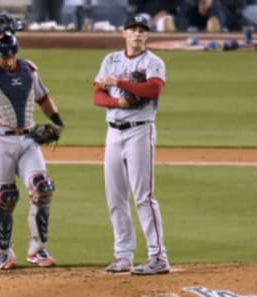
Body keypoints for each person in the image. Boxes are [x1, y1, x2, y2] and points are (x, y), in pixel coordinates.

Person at [0, 20, 65, 270]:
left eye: (11, 55)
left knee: (44, 188)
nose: (8, 61)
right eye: (3, 56)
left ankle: (38, 249)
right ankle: (3, 253)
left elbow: (43, 97)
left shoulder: (28, 70)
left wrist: (57, 122)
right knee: (6, 197)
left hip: (28, 139)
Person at [92, 15, 170, 275]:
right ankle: (123, 255)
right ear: (124, 33)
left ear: (147, 36)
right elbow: (97, 94)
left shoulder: (153, 62)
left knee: (143, 197)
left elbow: (153, 90)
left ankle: (158, 256)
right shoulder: (110, 60)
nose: (138, 34)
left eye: (142, 31)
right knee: (115, 197)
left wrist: (120, 83)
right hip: (113, 133)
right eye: (133, 30)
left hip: (140, 131)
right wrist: (118, 101)